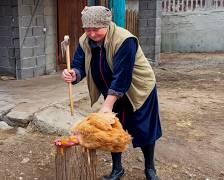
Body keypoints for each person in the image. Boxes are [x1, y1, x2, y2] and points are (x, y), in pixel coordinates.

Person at [62, 6, 162, 180]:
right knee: (112, 130)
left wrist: (106, 107)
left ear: (107, 25)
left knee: (145, 129)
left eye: (96, 29)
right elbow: (79, 64)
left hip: (138, 91)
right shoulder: (85, 40)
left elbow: (122, 76)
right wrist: (73, 74)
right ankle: (117, 169)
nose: (91, 34)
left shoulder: (124, 40)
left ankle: (150, 169)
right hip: (112, 92)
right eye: (87, 29)